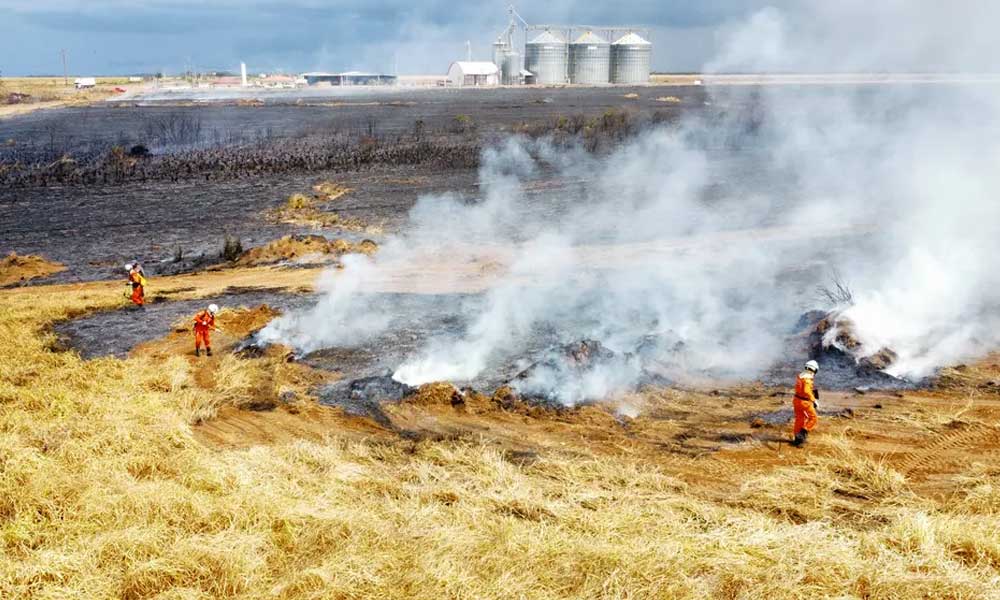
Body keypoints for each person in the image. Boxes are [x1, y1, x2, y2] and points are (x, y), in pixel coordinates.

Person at [791, 360, 820, 447]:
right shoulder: (807, 379)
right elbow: (806, 391)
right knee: (813, 418)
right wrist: (814, 400)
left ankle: (797, 440)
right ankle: (802, 433)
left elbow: (801, 389)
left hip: (796, 400)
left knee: (799, 419)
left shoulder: (800, 376)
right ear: (814, 370)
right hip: (804, 402)